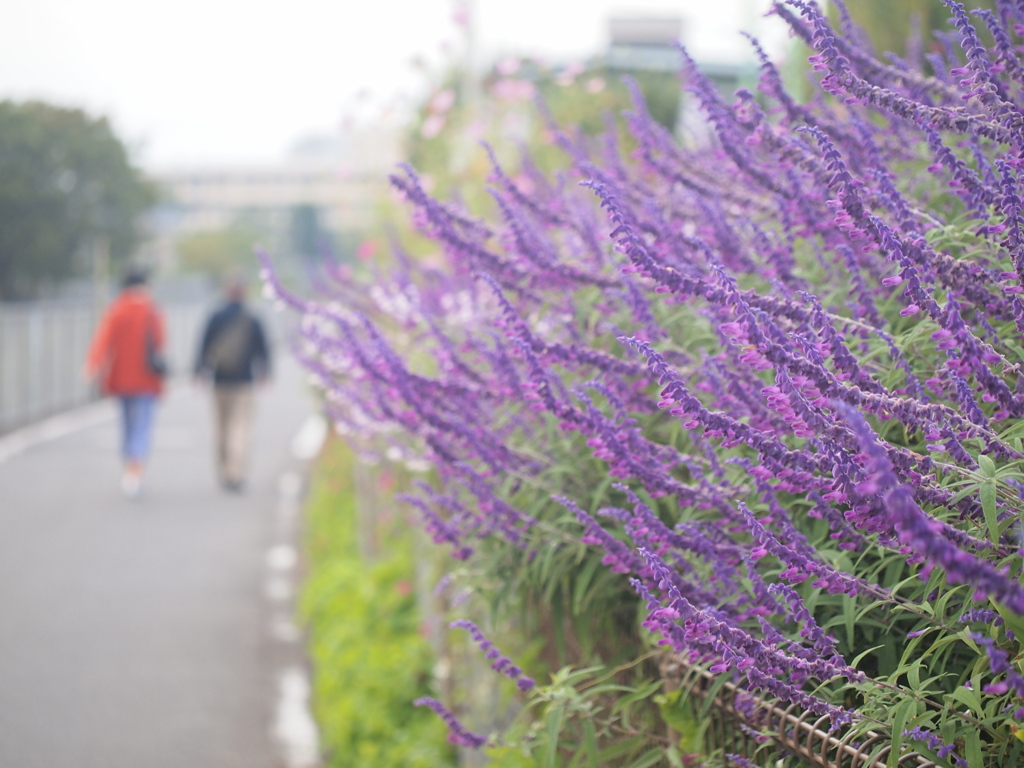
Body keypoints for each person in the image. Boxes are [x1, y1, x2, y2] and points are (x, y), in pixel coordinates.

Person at [84, 266, 167, 498]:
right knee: (142, 426)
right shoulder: (152, 311)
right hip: (146, 380)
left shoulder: (116, 309)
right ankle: (135, 470)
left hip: (121, 379)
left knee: (127, 426)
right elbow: (160, 343)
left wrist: (92, 365)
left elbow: (103, 340)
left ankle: (128, 468)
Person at [194, 277, 270, 492]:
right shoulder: (252, 318)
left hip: (220, 381)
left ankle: (225, 470)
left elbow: (203, 346)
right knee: (241, 427)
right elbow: (263, 349)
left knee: (221, 428)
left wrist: (199, 372)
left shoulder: (216, 316)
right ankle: (235, 472)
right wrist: (265, 373)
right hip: (244, 382)